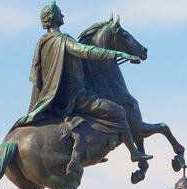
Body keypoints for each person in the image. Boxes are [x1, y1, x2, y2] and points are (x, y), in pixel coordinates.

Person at [16, 1, 152, 173]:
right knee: (118, 111)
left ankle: (95, 147)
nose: (63, 16)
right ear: (53, 18)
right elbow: (87, 51)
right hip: (78, 97)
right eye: (60, 13)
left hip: (57, 98)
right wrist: (119, 53)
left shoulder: (43, 43)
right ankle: (134, 153)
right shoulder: (62, 40)